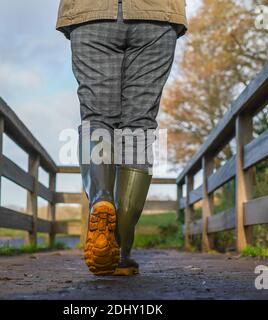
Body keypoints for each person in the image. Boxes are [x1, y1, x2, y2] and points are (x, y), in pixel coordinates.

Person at [56, 0, 187, 276]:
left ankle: (101, 199)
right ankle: (120, 249)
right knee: (138, 127)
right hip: (156, 14)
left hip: (91, 13)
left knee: (97, 119)